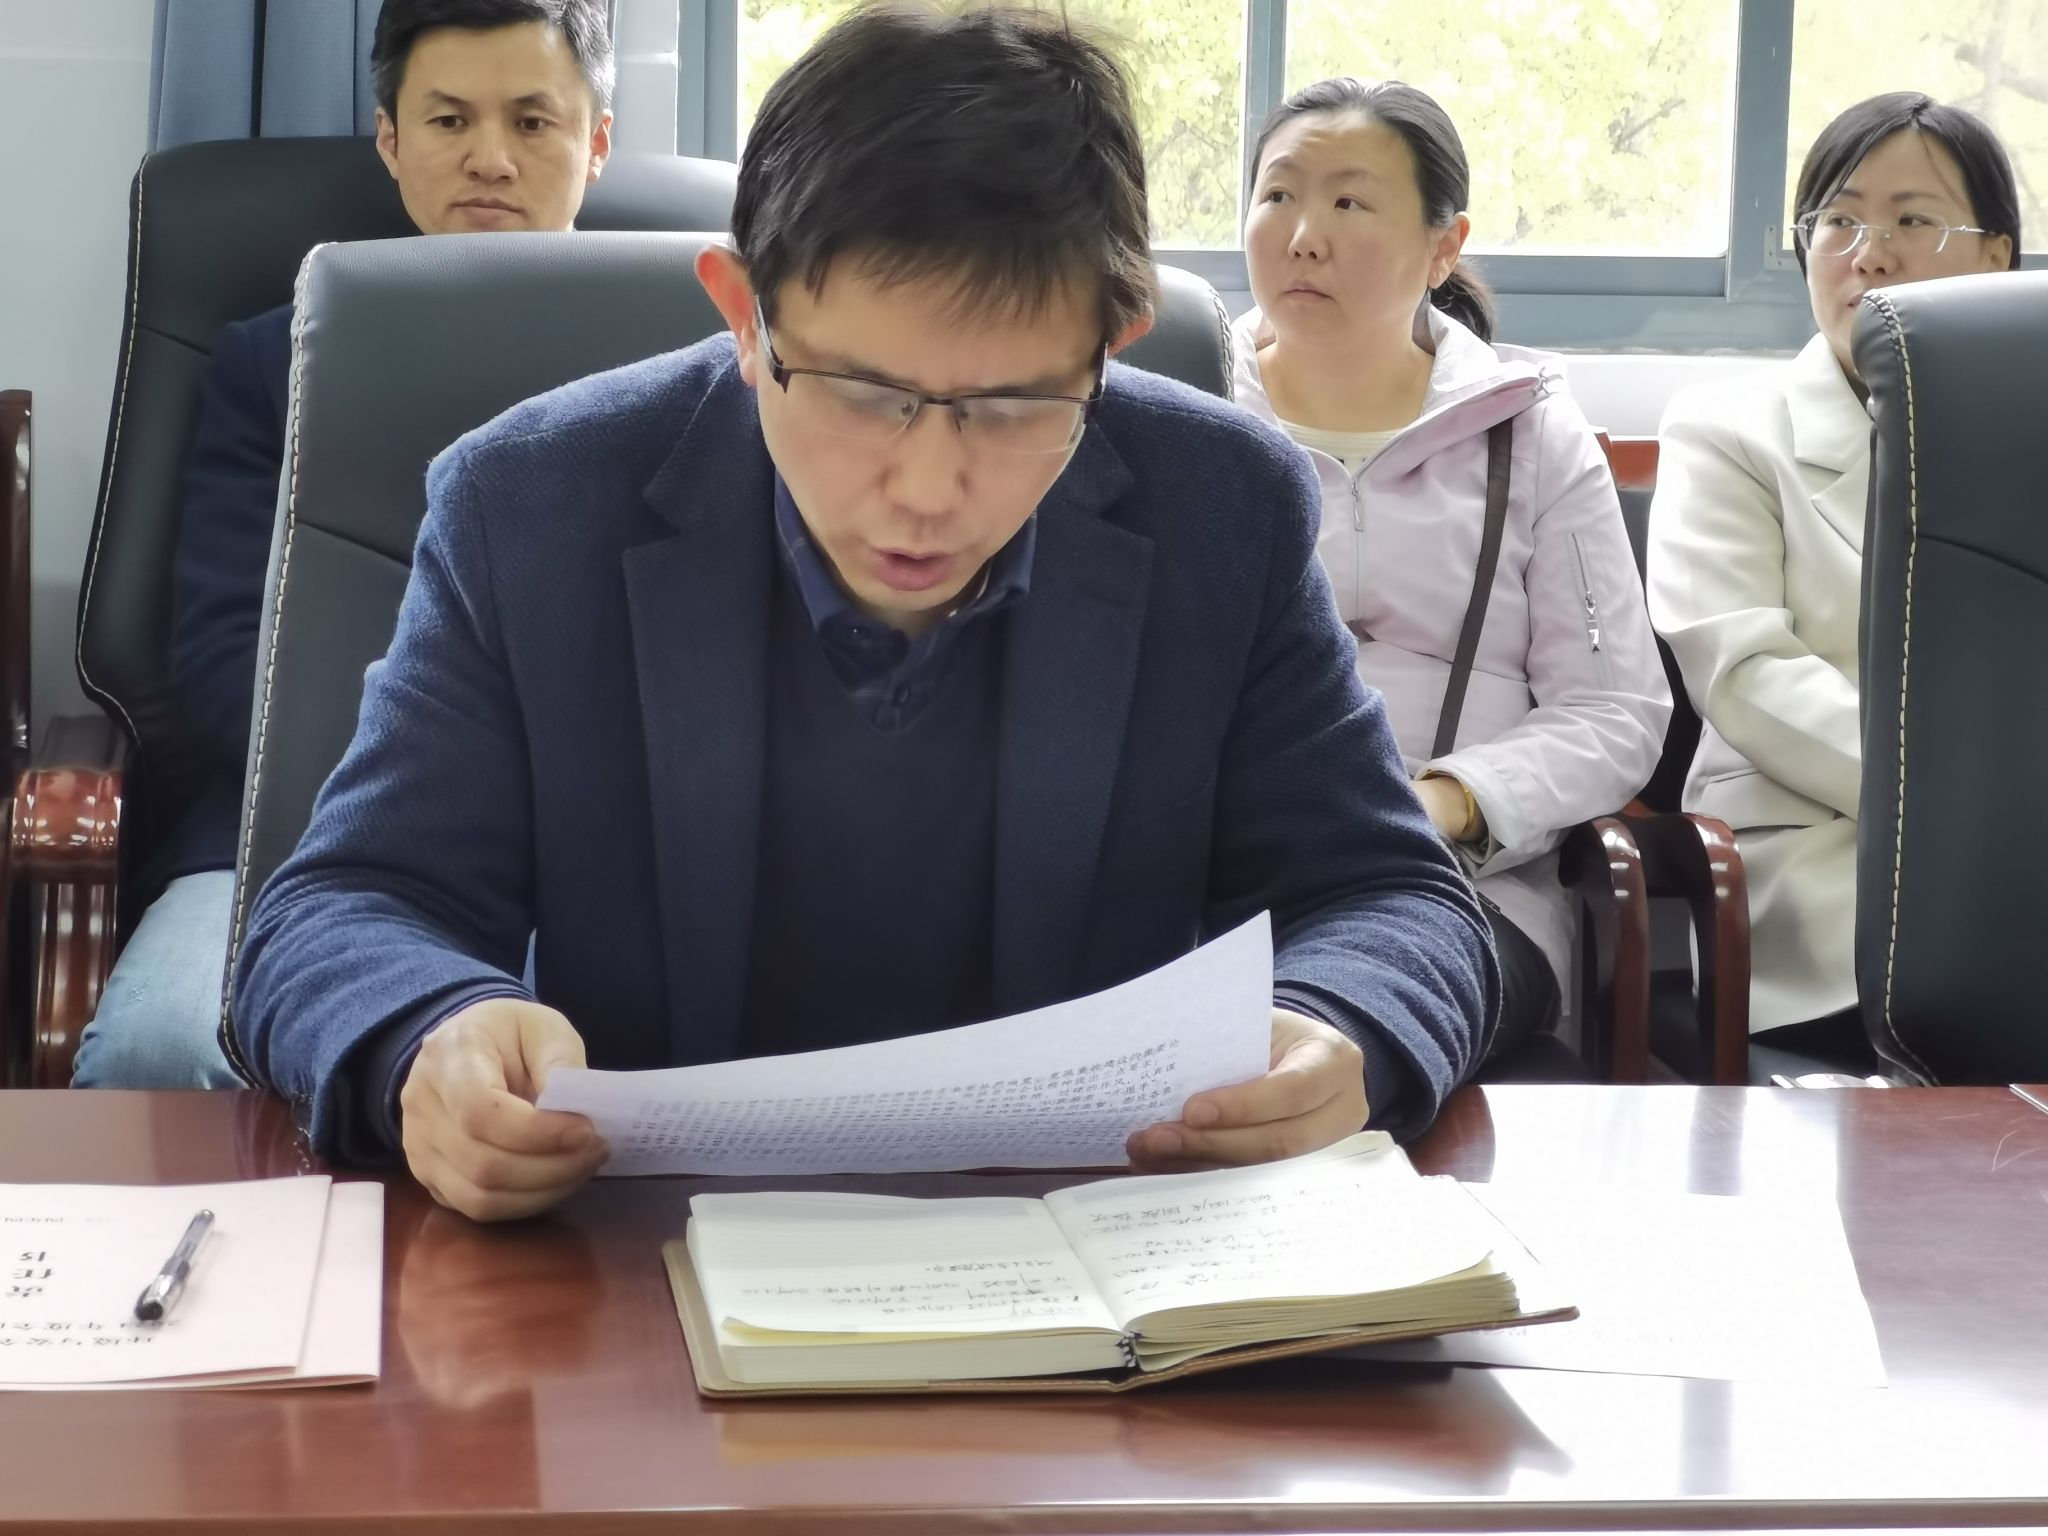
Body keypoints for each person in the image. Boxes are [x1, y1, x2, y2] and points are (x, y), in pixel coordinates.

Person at [231, 1, 1498, 1221]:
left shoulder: (1222, 508)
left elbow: (1390, 896)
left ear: (1109, 345)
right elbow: (340, 909)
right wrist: (431, 1034)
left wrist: (1340, 1024)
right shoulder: (531, 508)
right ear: (744, 315)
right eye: (860, 394)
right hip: (641, 1255)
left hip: (1084, 1261)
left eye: (1011, 407)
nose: (927, 492)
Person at [71, 0, 616, 1088]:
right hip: (289, 837)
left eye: (532, 122)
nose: (491, 159)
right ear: (391, 139)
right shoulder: (273, 363)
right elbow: (228, 665)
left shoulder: (691, 363)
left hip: (599, 856)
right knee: (160, 1052)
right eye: (450, 120)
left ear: (596, 141)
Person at [1232, 78, 1669, 1068]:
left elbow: (1614, 709)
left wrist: (1450, 801)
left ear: (1444, 245)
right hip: (1219, 881)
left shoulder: (1530, 430)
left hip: (1460, 890)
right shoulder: (1190, 414)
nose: (1302, 235)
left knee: (1325, 1035)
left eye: (1348, 201)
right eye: (1277, 195)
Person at [1647, 92, 2021, 1074]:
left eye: (1911, 220)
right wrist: (1974, 808)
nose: (1868, 254)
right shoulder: (1726, 429)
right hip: (1829, 867)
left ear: (1996, 257)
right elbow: (1744, 671)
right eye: (1838, 221)